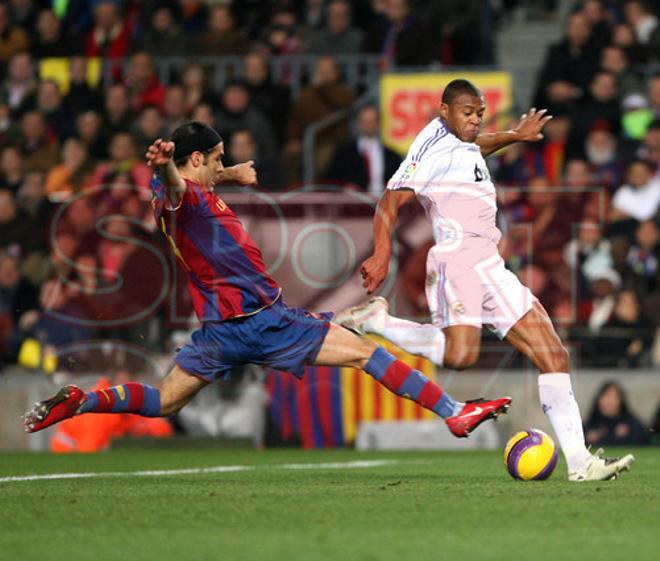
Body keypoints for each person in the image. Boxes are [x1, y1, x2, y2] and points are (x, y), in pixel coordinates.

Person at [23, 121, 511, 440]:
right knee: (369, 353)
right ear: (195, 162)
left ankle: (84, 401)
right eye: (215, 158)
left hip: (220, 331)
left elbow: (188, 184)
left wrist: (230, 173)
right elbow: (177, 188)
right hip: (263, 321)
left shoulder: (195, 194)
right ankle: (453, 411)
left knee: (164, 401)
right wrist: (169, 168)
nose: (220, 165)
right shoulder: (183, 197)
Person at [335, 79, 635, 481]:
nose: (475, 120)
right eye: (467, 113)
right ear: (444, 111)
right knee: (461, 357)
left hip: (490, 263)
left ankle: (580, 463)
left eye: (479, 113)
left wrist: (515, 136)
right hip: (456, 260)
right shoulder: (430, 147)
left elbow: (476, 146)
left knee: (554, 354)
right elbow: (391, 198)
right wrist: (382, 252)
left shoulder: (463, 139)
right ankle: (378, 322)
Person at [584, 381, 650, 446]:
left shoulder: (630, 423)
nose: (610, 401)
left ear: (621, 401)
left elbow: (644, 440)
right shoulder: (590, 425)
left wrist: (626, 436)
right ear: (599, 399)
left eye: (615, 397)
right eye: (607, 396)